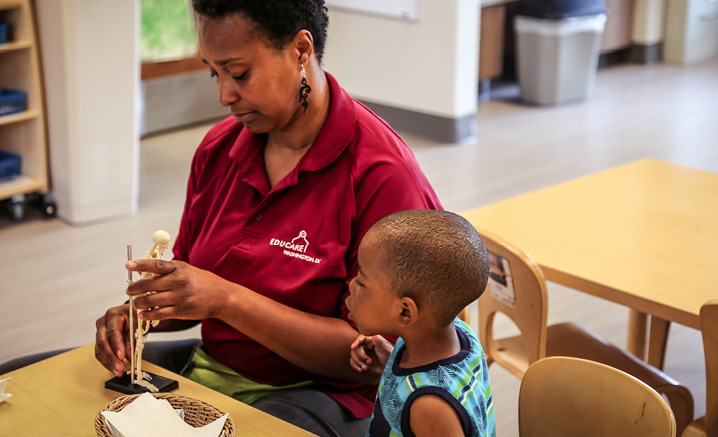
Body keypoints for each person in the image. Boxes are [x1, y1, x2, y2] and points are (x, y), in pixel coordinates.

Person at [91, 1, 442, 436]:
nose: (223, 95)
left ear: (300, 50)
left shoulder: (383, 175)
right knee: (47, 383)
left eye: (238, 74)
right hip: (217, 365)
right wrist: (139, 315)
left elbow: (380, 355)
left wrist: (227, 299)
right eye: (213, 73)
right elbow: (192, 292)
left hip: (327, 391)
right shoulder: (219, 150)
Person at [345, 210, 496, 437]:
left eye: (361, 281)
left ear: (405, 312)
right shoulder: (458, 333)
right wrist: (391, 360)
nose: (351, 286)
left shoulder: (430, 405)